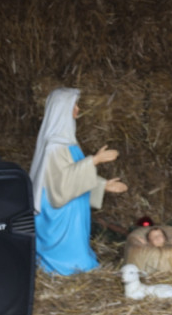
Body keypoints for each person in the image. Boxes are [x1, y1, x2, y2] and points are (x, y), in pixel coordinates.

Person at [29, 87, 128, 275]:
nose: (78, 109)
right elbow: (60, 182)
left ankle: (76, 263)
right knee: (69, 252)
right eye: (74, 105)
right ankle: (62, 267)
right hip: (59, 209)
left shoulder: (68, 143)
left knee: (77, 244)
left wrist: (102, 185)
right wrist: (95, 160)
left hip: (71, 204)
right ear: (62, 110)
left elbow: (74, 177)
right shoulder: (54, 147)